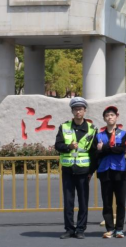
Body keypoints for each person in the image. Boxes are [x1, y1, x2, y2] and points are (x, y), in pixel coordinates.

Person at [54, 97, 97, 240]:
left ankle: (80, 229)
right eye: (75, 109)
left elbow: (94, 153)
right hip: (68, 170)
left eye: (80, 109)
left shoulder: (92, 129)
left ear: (85, 111)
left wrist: (91, 171)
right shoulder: (64, 127)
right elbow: (58, 145)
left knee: (83, 202)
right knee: (68, 201)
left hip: (84, 171)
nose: (78, 112)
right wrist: (69, 146)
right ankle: (69, 229)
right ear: (72, 111)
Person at [94, 106, 126, 238]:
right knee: (107, 202)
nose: (110, 117)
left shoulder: (123, 134)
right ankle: (110, 228)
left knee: (121, 202)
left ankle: (119, 229)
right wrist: (110, 148)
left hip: (119, 171)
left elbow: (121, 150)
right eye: (107, 115)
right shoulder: (99, 135)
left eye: (112, 115)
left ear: (116, 117)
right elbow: (96, 154)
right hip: (105, 171)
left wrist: (104, 148)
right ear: (104, 118)